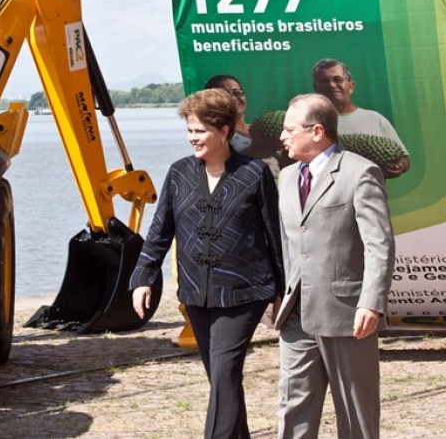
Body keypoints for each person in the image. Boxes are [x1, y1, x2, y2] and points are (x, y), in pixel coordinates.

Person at [130, 88, 284, 439]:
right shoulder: (179, 173)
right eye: (189, 130)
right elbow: (159, 232)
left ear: (225, 131)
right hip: (196, 294)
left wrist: (282, 291)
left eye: (200, 130)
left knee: (226, 370)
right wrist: (143, 277)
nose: (192, 138)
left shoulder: (254, 173)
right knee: (220, 378)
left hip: (245, 292)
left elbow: (275, 235)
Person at [274, 93, 395, 439]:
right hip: (297, 315)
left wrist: (371, 302)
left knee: (356, 413)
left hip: (346, 316)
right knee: (292, 410)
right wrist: (283, 295)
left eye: (289, 129)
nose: (282, 136)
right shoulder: (286, 178)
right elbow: (289, 244)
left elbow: (379, 244)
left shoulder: (360, 173)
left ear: (316, 131)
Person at [312, 58, 410, 178]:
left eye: (338, 79)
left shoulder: (374, 118)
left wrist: (400, 166)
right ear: (316, 88)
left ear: (351, 86)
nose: (331, 85)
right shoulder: (308, 123)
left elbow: (403, 158)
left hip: (371, 193)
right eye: (324, 81)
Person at [204, 74, 251, 152]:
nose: (233, 99)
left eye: (237, 92)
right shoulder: (220, 137)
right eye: (225, 95)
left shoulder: (260, 129)